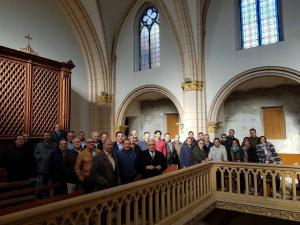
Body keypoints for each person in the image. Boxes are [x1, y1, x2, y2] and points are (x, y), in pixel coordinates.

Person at [34, 131, 57, 197]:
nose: (47, 136)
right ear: (43, 136)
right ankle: (38, 196)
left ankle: (47, 196)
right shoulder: (39, 145)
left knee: (49, 184)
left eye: (48, 135)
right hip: (41, 167)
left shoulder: (54, 145)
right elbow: (35, 154)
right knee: (40, 184)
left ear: (50, 136)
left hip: (51, 168)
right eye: (45, 135)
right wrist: (40, 157)